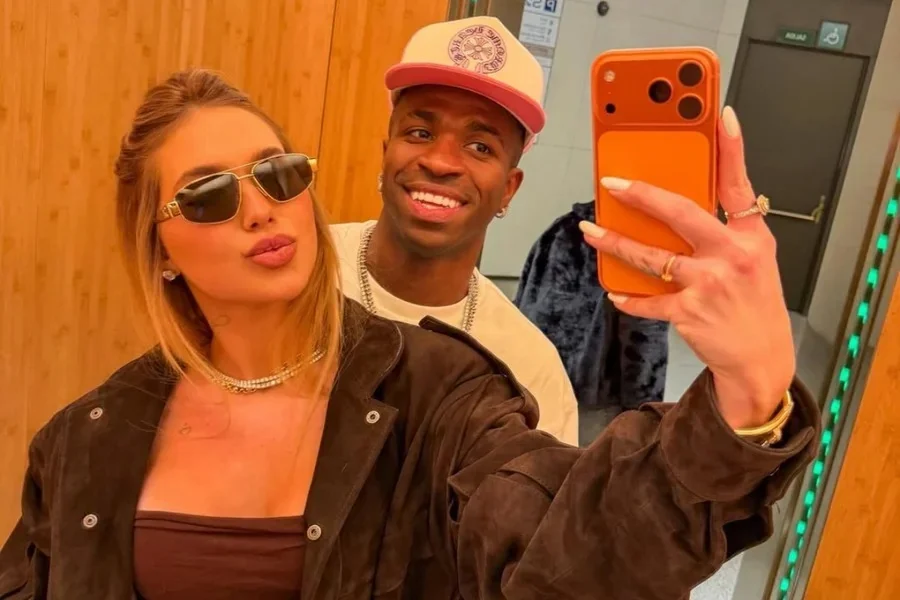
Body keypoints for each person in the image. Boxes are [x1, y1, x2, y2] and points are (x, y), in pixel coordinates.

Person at [0, 68, 818, 600]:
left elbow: (568, 554)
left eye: (278, 173)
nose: (260, 208)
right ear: (158, 247)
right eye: (210, 194)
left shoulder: (443, 395)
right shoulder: (86, 436)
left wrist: (744, 399)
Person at [330, 17, 579, 444]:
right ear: (386, 154)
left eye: (480, 147)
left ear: (509, 188)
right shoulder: (302, 270)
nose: (441, 162)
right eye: (420, 132)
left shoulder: (529, 371)